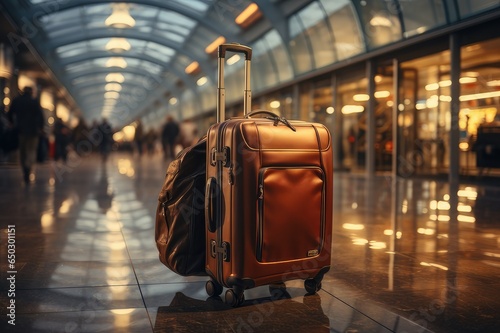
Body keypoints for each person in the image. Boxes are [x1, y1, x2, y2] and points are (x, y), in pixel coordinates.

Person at [7, 86, 44, 184]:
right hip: (33, 131)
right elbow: (41, 116)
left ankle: (25, 169)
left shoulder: (17, 101)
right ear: (31, 92)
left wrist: (11, 122)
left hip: (20, 130)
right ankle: (28, 167)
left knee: (22, 151)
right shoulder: (34, 101)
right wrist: (40, 127)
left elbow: (10, 113)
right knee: (31, 150)